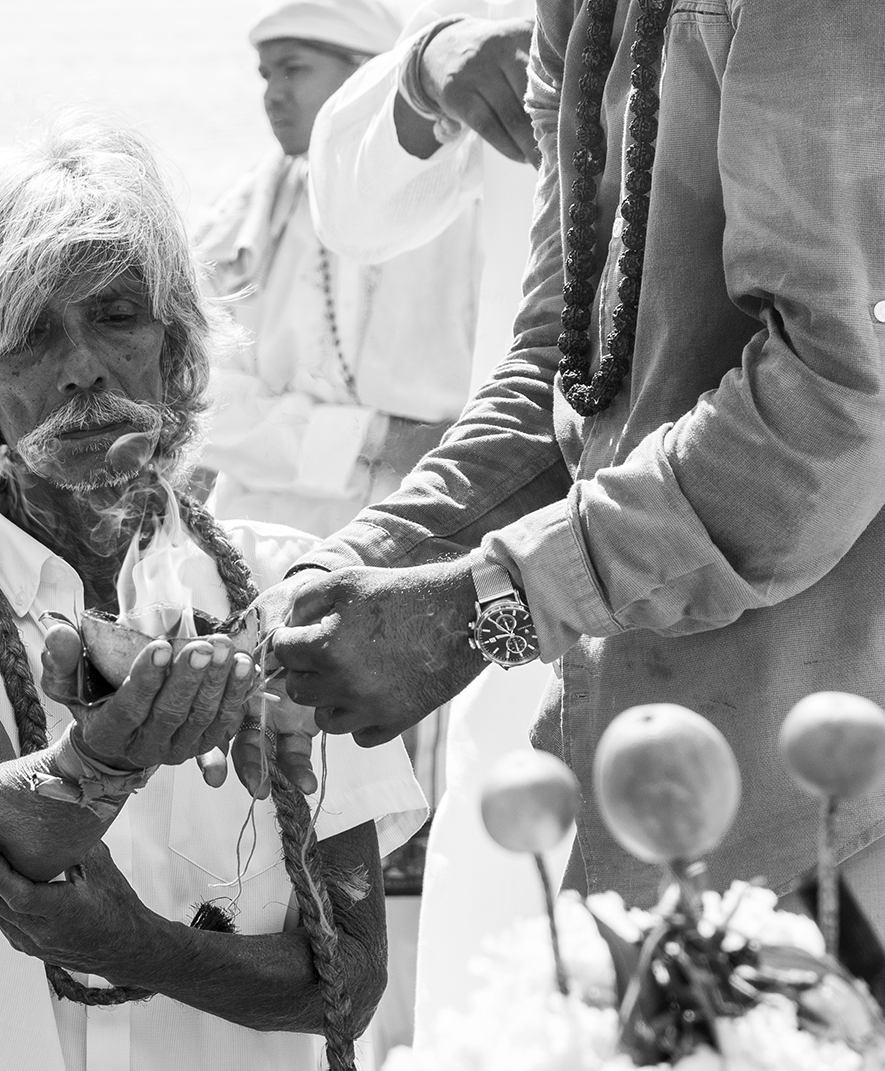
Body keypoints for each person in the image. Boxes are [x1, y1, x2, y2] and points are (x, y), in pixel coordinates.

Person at [264, 0, 885, 931]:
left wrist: (485, 607)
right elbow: (575, 376)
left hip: (835, 822)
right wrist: (330, 579)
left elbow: (836, 400)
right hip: (637, 801)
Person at [0, 119, 429, 1071]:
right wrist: (107, 755)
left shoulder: (292, 595)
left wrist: (131, 945)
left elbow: (349, 982)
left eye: (117, 317)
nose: (83, 368)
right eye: (28, 333)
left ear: (174, 344)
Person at [304, 0, 564, 1044]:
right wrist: (428, 61)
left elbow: (821, 388)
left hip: (802, 588)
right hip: (513, 592)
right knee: (510, 990)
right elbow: (558, 370)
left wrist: (473, 602)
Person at [193, 0, 475, 539]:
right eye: (266, 74)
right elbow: (199, 403)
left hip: (432, 527)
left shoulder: (462, 199)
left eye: (294, 68)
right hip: (255, 537)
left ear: (367, 76)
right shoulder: (239, 218)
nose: (273, 94)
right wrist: (374, 440)